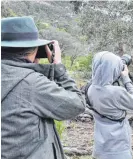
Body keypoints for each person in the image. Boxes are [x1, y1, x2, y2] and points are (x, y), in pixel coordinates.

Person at [1, 16, 86, 159]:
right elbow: (77, 104)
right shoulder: (32, 84)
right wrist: (58, 68)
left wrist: (31, 65)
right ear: (34, 49)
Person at [87, 51, 133, 159]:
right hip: (118, 149)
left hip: (100, 148)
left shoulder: (90, 89)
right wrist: (126, 79)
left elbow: (100, 82)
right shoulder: (116, 92)